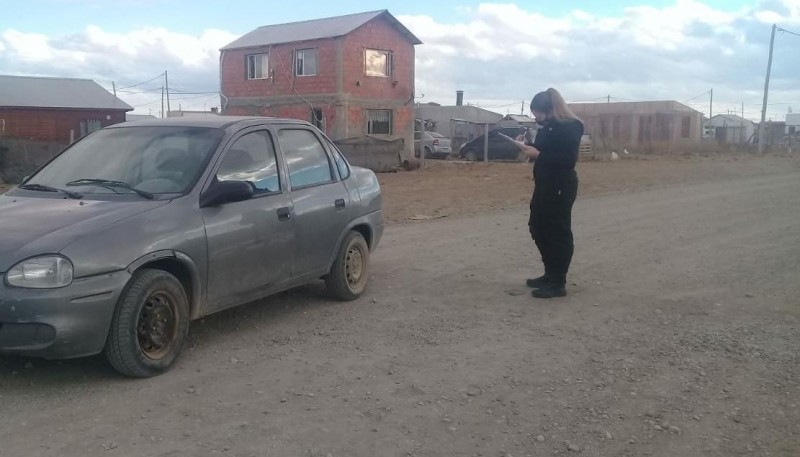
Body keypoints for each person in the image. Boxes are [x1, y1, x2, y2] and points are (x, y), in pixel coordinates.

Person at [502, 88, 584, 298]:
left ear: (550, 109)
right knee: (537, 227)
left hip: (560, 185)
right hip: (544, 184)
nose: (535, 117)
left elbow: (567, 159)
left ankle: (558, 282)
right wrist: (526, 146)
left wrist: (538, 153)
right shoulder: (547, 127)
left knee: (558, 231)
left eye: (537, 113)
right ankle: (549, 273)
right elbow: (543, 150)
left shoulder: (572, 127)